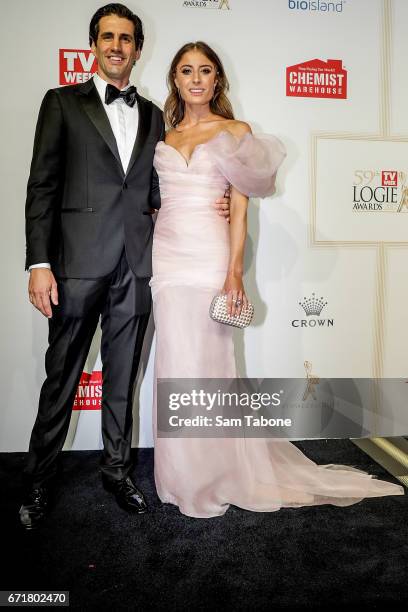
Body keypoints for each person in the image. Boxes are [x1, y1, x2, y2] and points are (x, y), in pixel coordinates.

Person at [150, 41, 405, 518]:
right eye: (186, 71)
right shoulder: (163, 137)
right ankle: (182, 475)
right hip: (166, 260)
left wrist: (233, 274)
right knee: (173, 365)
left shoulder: (236, 132)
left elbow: (240, 213)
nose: (197, 79)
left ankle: (221, 471)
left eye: (205, 70)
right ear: (176, 81)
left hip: (209, 259)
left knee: (213, 367)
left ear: (218, 80)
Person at [20, 5, 231, 531]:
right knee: (61, 380)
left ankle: (116, 472)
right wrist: (40, 262)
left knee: (122, 382)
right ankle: (38, 481)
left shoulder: (159, 115)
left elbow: (161, 192)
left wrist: (215, 204)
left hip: (138, 269)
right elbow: (41, 186)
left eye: (127, 38)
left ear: (138, 49)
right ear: (94, 44)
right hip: (73, 269)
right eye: (108, 37)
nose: (117, 46)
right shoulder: (61, 103)